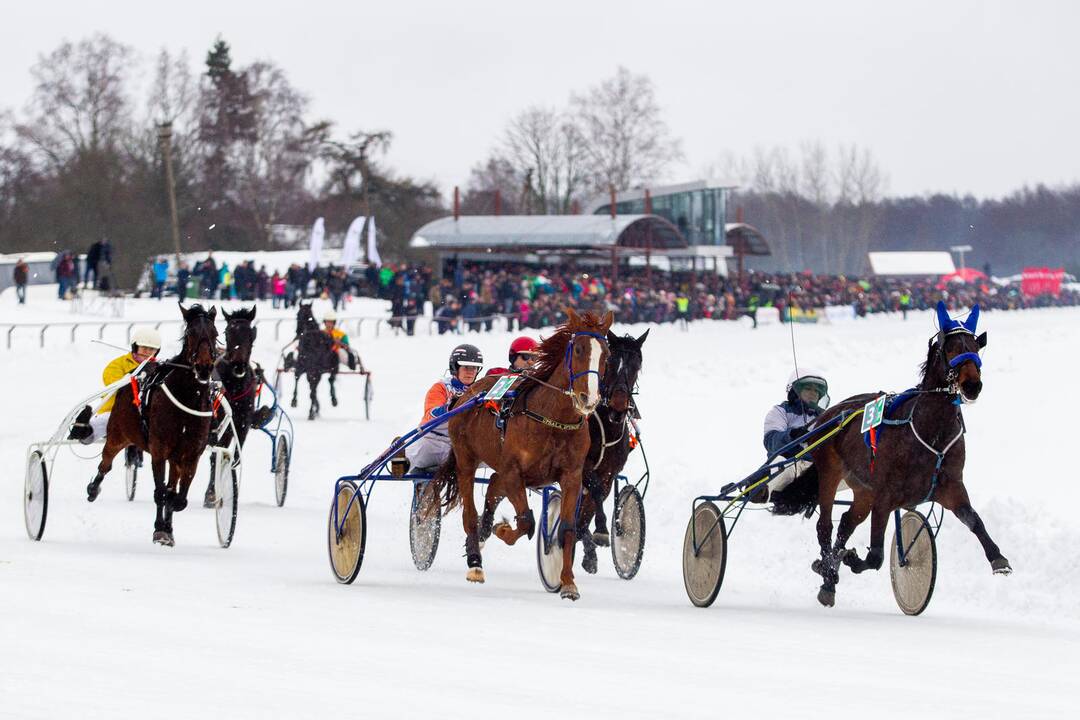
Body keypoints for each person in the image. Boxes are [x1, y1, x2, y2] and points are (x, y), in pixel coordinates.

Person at [67, 328, 162, 444]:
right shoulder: (117, 365)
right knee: (92, 434)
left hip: (148, 412)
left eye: (151, 349)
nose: (147, 352)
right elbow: (117, 388)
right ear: (135, 347)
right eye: (144, 348)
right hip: (115, 410)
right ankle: (83, 429)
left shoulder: (159, 368)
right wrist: (135, 373)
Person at [754, 369, 830, 505]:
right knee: (783, 463)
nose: (813, 393)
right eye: (808, 388)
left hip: (817, 471)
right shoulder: (780, 411)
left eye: (817, 391)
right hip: (791, 465)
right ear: (795, 391)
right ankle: (759, 490)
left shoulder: (826, 418)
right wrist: (792, 436)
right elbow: (772, 442)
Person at [404, 344, 483, 472]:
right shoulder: (441, 387)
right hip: (431, 440)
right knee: (418, 452)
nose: (470, 372)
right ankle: (402, 459)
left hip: (457, 447)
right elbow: (431, 414)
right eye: (466, 367)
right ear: (455, 368)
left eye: (474, 368)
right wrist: (450, 407)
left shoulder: (479, 391)